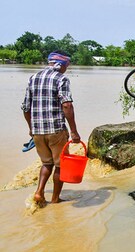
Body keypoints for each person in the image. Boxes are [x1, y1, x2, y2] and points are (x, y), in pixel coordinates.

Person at [21, 50, 81, 204]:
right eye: (67, 65)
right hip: (55, 130)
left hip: (37, 131)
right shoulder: (61, 79)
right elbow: (66, 105)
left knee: (46, 163)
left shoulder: (33, 78)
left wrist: (31, 129)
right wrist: (74, 131)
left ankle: (39, 193)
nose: (67, 68)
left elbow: (26, 108)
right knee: (60, 165)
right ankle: (55, 199)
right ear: (61, 64)